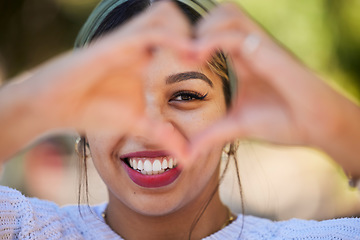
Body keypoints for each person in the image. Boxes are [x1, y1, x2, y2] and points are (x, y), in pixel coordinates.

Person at [0, 0, 359, 239]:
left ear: (234, 114)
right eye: (118, 99)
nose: (151, 126)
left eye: (186, 96)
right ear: (81, 125)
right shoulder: (22, 229)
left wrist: (338, 128)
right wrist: (35, 102)